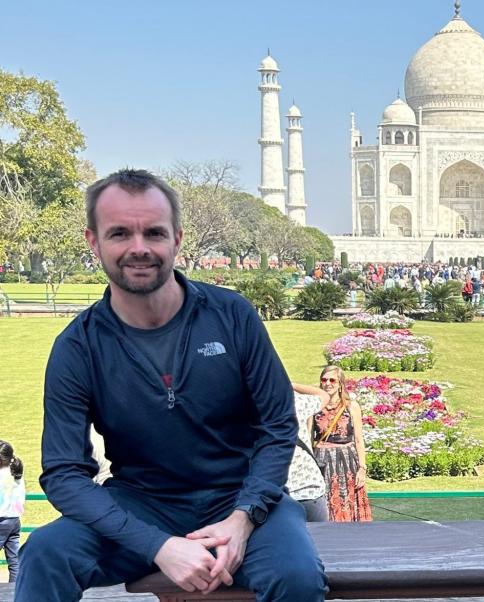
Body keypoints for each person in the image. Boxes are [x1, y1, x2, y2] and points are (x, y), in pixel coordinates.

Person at [16, 170, 325, 601]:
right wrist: (157, 546)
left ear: (176, 239)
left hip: (241, 498)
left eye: (154, 233)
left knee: (295, 577)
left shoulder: (232, 316)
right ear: (94, 242)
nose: (139, 248)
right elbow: (64, 473)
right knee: (45, 554)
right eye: (120, 233)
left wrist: (244, 518)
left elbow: (277, 428)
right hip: (141, 504)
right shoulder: (78, 346)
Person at [296, 366, 372, 522]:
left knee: (347, 499)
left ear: (340, 384)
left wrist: (362, 468)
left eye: (332, 380)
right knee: (326, 500)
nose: (328, 384)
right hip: (323, 460)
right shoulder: (316, 407)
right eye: (324, 380)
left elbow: (358, 439)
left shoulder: (351, 406)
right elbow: (309, 438)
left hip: (347, 460)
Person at [286, 391, 330, 522]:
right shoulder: (296, 402)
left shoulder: (253, 408)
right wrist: (293, 385)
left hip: (279, 494)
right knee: (320, 540)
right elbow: (324, 396)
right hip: (310, 490)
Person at [0, 441, 25, 583]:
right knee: (14, 560)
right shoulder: (15, 469)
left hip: (2, 519)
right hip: (14, 519)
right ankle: (14, 591)